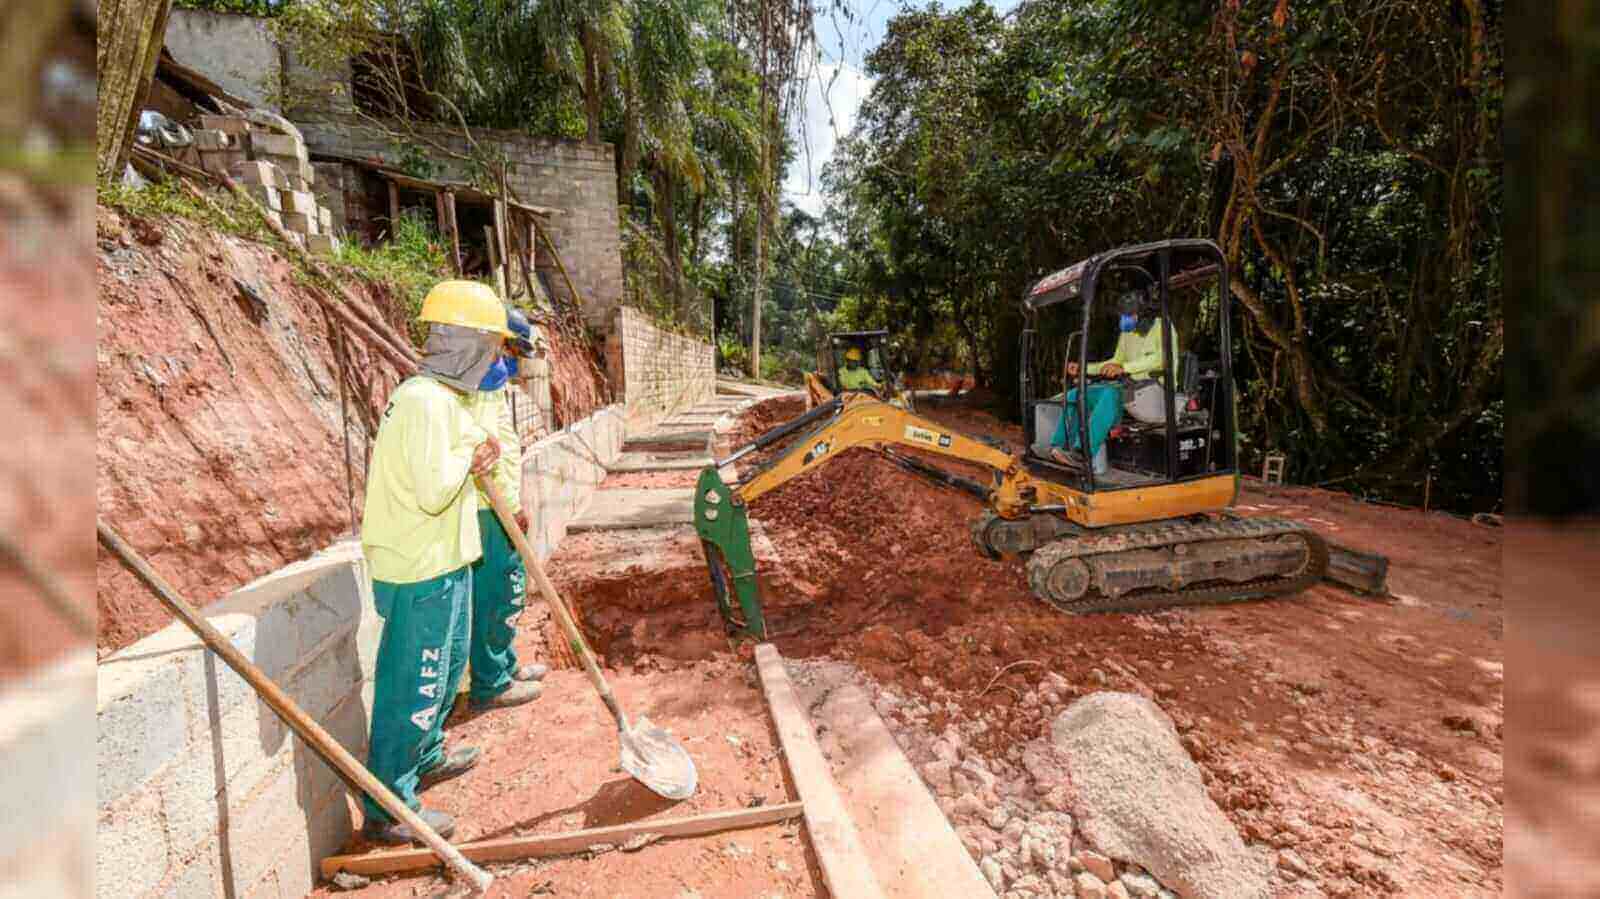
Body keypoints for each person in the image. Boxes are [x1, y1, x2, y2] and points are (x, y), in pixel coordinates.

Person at [357, 280, 513, 845]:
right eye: (492, 346)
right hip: (418, 565)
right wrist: (470, 459)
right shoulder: (424, 402)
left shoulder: (441, 399)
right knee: (414, 682)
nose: (495, 358)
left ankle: (425, 756)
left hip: (445, 558)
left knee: (445, 669)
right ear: (468, 344)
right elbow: (432, 489)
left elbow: (462, 452)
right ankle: (389, 807)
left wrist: (479, 450)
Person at [458, 307, 547, 717]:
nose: (511, 361)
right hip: (486, 509)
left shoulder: (490, 388)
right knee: (499, 592)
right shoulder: (470, 387)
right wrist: (510, 507)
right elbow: (480, 456)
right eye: (509, 350)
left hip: (499, 505)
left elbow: (502, 452)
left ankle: (504, 666)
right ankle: (491, 683)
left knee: (505, 594)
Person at [1050, 289, 1178, 471]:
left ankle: (1083, 454)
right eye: (1123, 315)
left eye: (1129, 315)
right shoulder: (1127, 334)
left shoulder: (1163, 327)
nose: (1124, 319)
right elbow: (1114, 362)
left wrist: (1125, 368)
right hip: (1132, 390)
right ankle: (1058, 448)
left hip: (1157, 392)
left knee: (1111, 393)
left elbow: (1162, 358)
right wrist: (1083, 368)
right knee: (1077, 394)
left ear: (1142, 314)